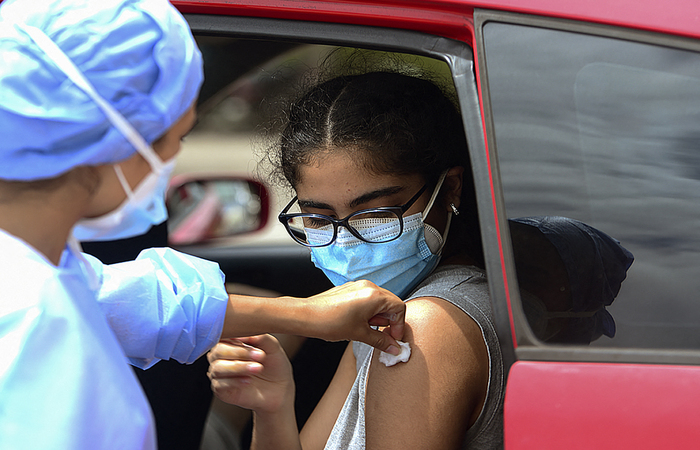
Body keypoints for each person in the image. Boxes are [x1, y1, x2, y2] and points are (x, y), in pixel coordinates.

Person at [0, 2, 407, 449]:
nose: (169, 163)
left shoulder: (34, 276)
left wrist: (308, 315)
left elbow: (136, 301)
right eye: (179, 138)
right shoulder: (33, 326)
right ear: (121, 143)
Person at [208, 71, 505, 449]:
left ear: (449, 188)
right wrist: (272, 407)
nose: (346, 243)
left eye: (374, 215)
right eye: (318, 218)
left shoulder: (420, 327)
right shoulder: (379, 319)